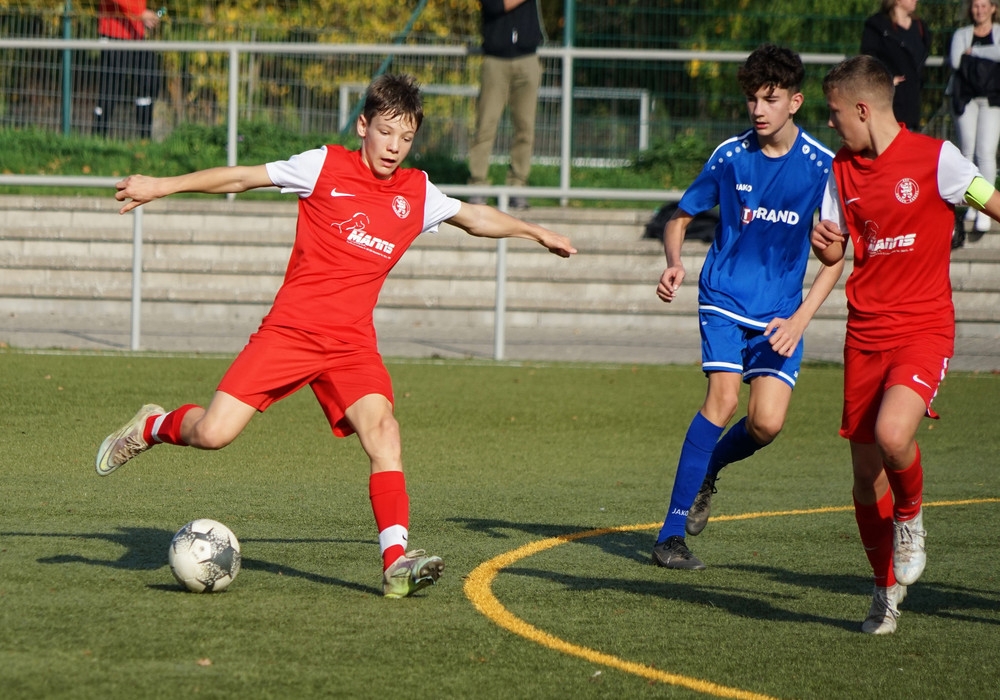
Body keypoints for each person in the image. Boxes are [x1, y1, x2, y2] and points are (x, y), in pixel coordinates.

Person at [95, 74, 577, 599]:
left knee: (385, 433)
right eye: (386, 132)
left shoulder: (416, 192)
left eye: (407, 137)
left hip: (351, 346)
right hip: (290, 333)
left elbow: (475, 216)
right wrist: (161, 185)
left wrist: (536, 232)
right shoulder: (322, 166)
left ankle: (396, 563)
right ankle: (152, 426)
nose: (394, 147)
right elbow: (241, 177)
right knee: (213, 434)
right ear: (363, 126)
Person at [812, 55, 1000, 634]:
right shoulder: (840, 170)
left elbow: (990, 199)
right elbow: (836, 246)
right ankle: (884, 590)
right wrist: (825, 247)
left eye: (834, 113)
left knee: (895, 436)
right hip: (864, 335)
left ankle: (911, 520)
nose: (831, 123)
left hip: (923, 329)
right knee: (865, 476)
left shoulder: (938, 159)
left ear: (862, 109)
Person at [650, 44, 844, 571]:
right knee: (723, 399)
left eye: (770, 99)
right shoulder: (730, 155)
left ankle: (708, 470)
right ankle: (670, 535)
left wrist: (800, 319)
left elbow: (835, 259)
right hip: (724, 297)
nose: (758, 109)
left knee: (766, 424)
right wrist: (674, 262)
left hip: (780, 313)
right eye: (752, 99)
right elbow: (678, 219)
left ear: (795, 102)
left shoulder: (822, 168)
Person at [467, 0, 545, 210]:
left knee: (525, 128)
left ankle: (517, 186)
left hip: (527, 58)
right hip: (496, 61)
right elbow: (495, 6)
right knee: (485, 126)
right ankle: (478, 185)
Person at [949, 0, 1000, 236]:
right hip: (966, 98)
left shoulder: (997, 32)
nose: (979, 10)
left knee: (985, 152)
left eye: (984, 5)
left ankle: (985, 209)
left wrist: (975, 52)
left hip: (992, 99)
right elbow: (956, 60)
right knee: (967, 152)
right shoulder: (962, 34)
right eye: (975, 6)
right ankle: (971, 203)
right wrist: (988, 56)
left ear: (993, 8)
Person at [93, 0, 161, 139]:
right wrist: (140, 13)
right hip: (114, 35)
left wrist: (143, 16)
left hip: (136, 36)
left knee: (148, 83)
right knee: (110, 88)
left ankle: (144, 139)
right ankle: (98, 137)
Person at [860, 0, 932, 131]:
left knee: (908, 136)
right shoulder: (877, 25)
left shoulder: (920, 26)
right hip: (887, 97)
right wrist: (886, 79)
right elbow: (868, 58)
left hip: (911, 99)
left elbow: (922, 56)